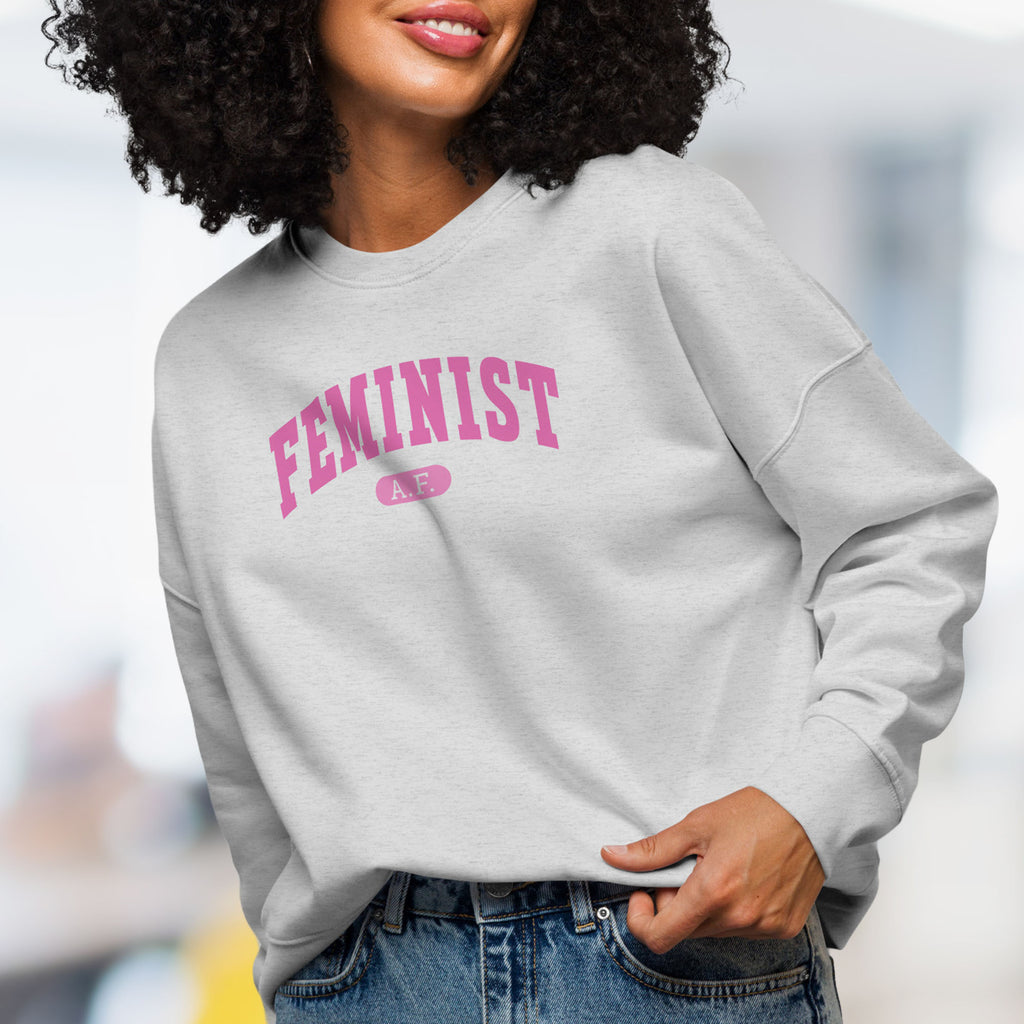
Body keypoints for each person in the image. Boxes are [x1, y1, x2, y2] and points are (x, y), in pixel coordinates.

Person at [43, 1, 997, 1022]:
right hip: (368, 984)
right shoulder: (210, 360)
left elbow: (911, 523)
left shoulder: (652, 228)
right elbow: (238, 733)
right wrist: (301, 957)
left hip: (660, 958)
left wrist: (810, 806)